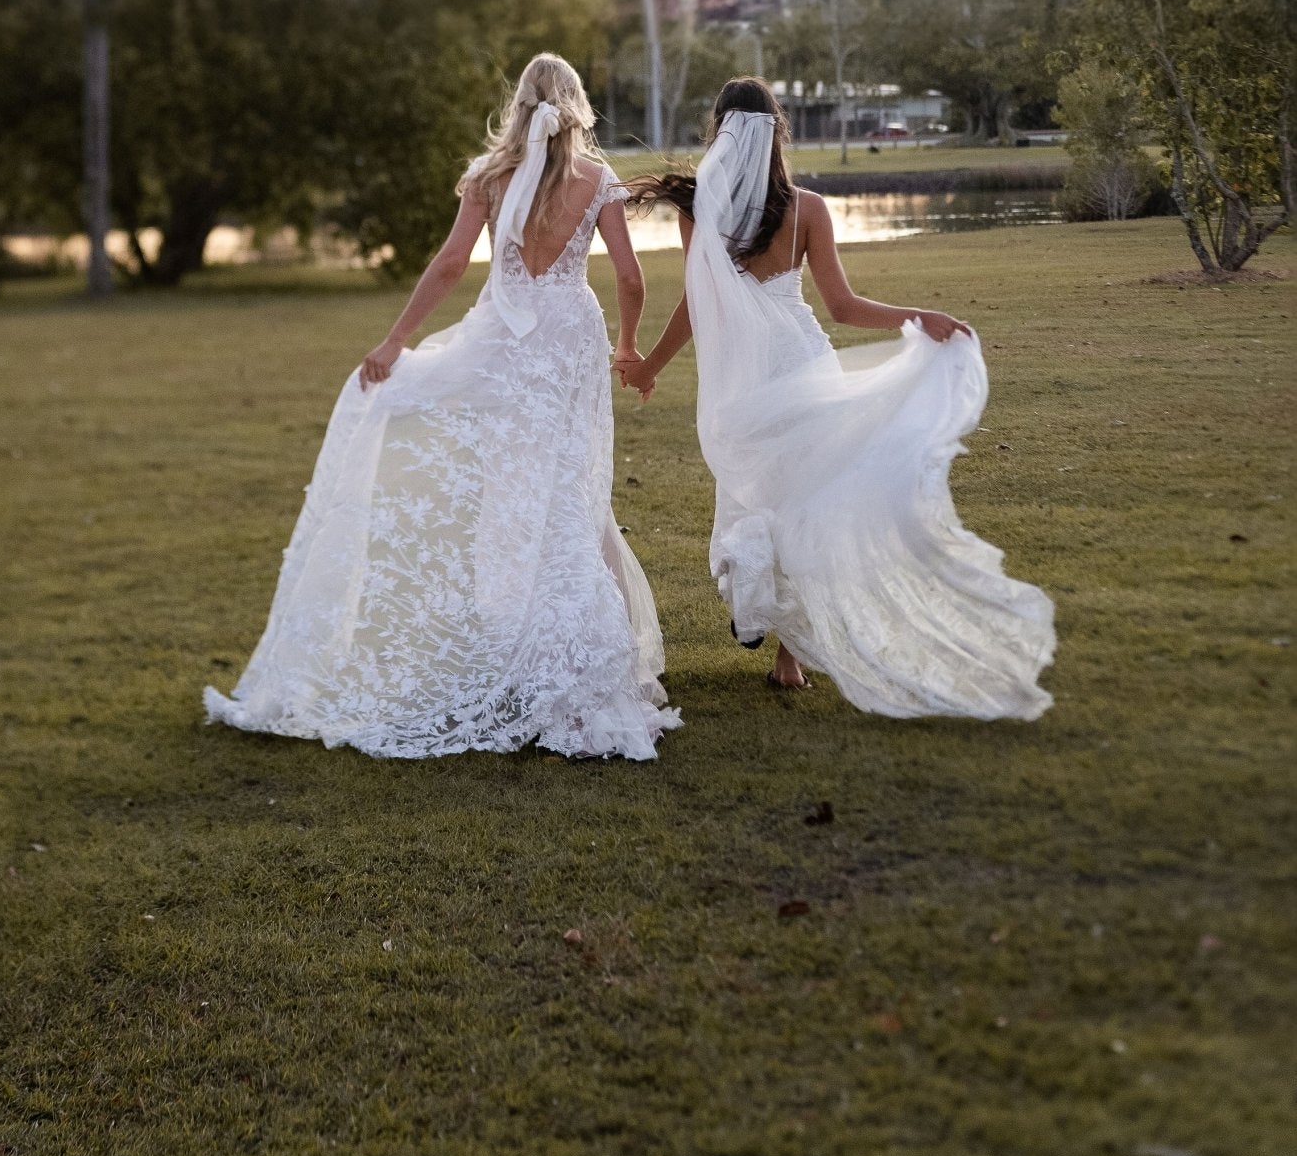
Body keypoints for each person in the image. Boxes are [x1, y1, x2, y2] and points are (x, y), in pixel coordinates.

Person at [205, 54, 680, 761]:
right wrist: (626, 345)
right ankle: (572, 655)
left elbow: (453, 264)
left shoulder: (490, 176)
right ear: (578, 106)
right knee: (570, 487)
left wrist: (395, 342)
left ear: (519, 105)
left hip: (506, 336)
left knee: (508, 484)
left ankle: (517, 642)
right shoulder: (597, 180)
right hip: (568, 339)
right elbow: (631, 277)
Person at [622, 77, 1054, 717]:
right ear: (778, 134)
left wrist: (651, 364)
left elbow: (698, 303)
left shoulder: (700, 213)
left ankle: (764, 616)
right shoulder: (807, 209)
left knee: (759, 492)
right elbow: (844, 308)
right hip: (802, 363)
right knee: (809, 501)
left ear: (719, 133)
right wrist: (919, 315)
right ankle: (788, 657)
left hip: (745, 378)